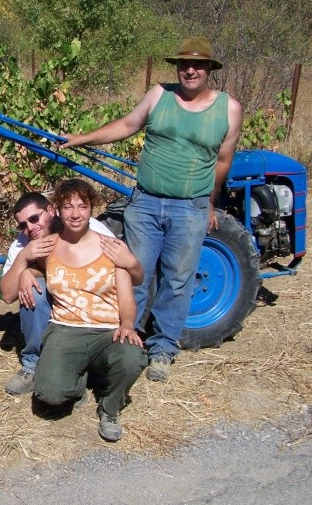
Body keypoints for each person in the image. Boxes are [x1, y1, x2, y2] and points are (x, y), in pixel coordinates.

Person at [59, 36, 242, 382]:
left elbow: (223, 161)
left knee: (178, 279)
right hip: (145, 202)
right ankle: (125, 342)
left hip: (190, 207)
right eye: (183, 64)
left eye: (197, 64)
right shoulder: (160, 95)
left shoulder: (229, 109)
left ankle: (162, 349)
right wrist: (81, 138)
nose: (190, 70)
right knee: (133, 272)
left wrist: (209, 204)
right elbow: (127, 125)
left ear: (209, 69)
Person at [32, 179, 147, 442]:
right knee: (49, 395)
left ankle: (110, 408)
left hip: (107, 330)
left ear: (91, 208)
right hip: (65, 328)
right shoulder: (49, 246)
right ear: (57, 210)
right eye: (68, 207)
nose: (75, 214)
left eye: (82, 206)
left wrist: (127, 324)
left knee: (131, 357)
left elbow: (128, 293)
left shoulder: (110, 246)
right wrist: (27, 271)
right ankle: (81, 380)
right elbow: (32, 270)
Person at [0, 192, 143, 396]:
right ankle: (34, 364)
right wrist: (24, 262)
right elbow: (6, 295)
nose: (29, 228)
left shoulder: (85, 227)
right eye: (22, 225)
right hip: (60, 307)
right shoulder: (23, 243)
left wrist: (132, 265)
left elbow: (125, 272)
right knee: (32, 290)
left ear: (51, 210)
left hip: (91, 307)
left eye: (34, 218)